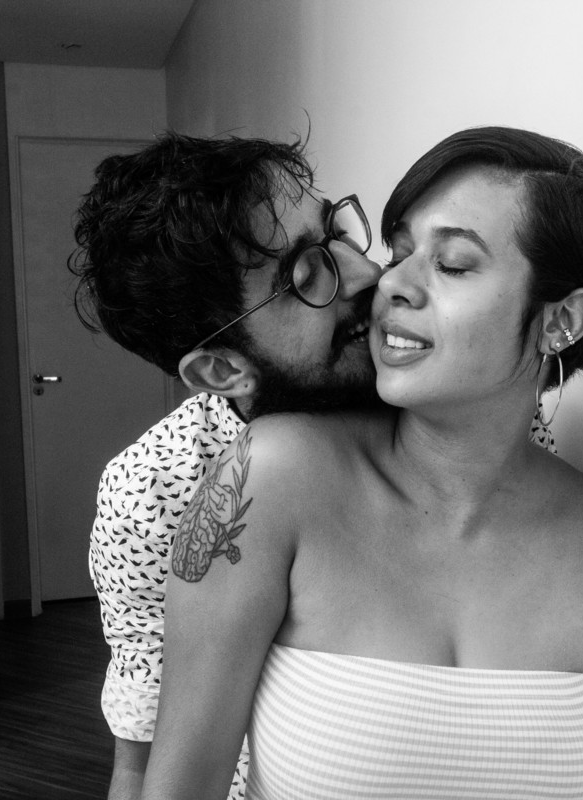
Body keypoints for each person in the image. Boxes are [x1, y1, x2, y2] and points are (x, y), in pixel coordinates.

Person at [141, 126, 583, 800]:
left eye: (454, 264)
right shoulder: (275, 476)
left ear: (561, 322)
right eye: (403, 251)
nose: (388, 283)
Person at [71, 131, 385, 800]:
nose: (364, 273)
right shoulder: (153, 491)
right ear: (220, 370)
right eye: (305, 277)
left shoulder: (454, 411)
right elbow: (142, 752)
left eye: (337, 233)